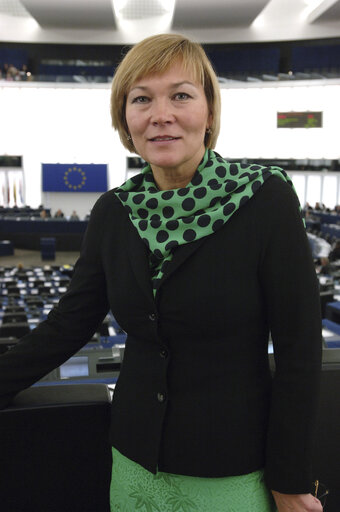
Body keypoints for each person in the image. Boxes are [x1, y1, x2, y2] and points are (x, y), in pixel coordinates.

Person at [0, 34, 323, 512]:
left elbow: (299, 348)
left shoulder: (265, 199)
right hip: (133, 459)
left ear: (209, 112)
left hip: (229, 465)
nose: (161, 114)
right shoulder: (114, 210)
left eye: (181, 95)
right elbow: (69, 323)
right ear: (125, 119)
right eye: (141, 99)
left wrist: (291, 477)